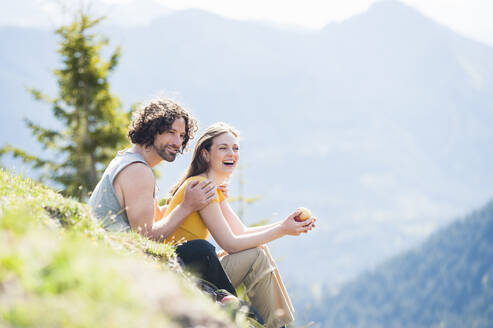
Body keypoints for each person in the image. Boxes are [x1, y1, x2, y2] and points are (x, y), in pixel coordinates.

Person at [161, 122, 316, 328]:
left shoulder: (211, 188)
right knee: (256, 256)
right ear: (205, 154)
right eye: (223, 148)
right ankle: (278, 325)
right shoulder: (201, 186)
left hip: (197, 268)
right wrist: (282, 230)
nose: (231, 154)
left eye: (235, 148)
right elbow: (231, 244)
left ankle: (279, 324)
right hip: (187, 273)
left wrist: (286, 226)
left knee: (259, 249)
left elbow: (240, 232)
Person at [88, 98, 236, 295]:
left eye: (182, 135)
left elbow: (146, 218)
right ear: (152, 129)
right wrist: (186, 207)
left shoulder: (128, 159)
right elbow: (145, 237)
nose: (177, 142)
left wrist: (194, 200)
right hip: (116, 258)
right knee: (202, 251)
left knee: (201, 252)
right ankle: (241, 314)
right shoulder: (138, 171)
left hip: (112, 251)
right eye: (171, 133)